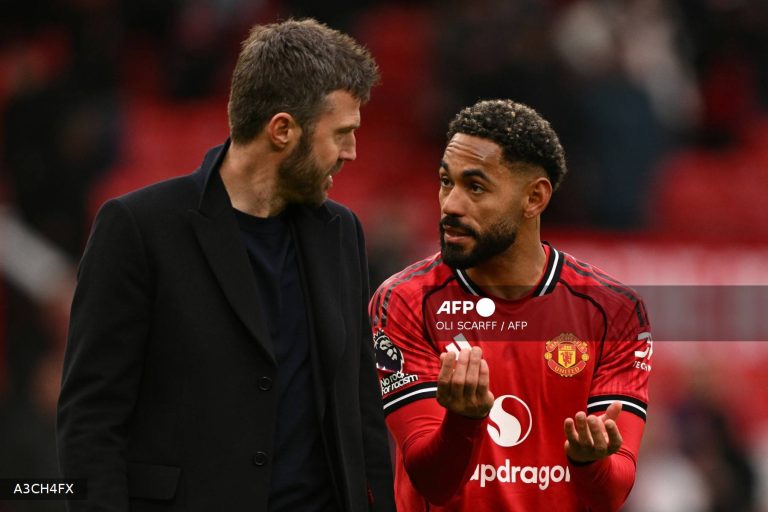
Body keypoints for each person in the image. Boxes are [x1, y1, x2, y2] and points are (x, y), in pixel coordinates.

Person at [57, 19, 395, 512]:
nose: (352, 152)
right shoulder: (138, 228)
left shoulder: (341, 232)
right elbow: (91, 420)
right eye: (341, 134)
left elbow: (361, 412)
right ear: (283, 130)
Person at [369, 99, 652, 511]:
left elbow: (611, 492)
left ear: (534, 198)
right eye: (446, 182)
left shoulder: (614, 311)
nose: (450, 204)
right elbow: (431, 481)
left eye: (475, 187)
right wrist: (463, 421)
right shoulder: (405, 301)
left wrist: (589, 461)